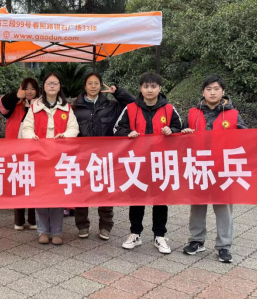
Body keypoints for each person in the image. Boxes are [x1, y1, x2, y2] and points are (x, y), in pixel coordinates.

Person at [182, 75, 257, 263]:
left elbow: (246, 136)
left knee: (223, 208)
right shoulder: (192, 113)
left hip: (223, 169)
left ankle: (224, 246)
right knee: (197, 206)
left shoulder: (232, 114)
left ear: (223, 91)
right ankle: (196, 241)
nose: (212, 92)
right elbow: (179, 137)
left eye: (216, 89)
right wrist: (183, 133)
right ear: (203, 92)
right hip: (199, 167)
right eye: (208, 89)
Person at [114, 72, 182, 255]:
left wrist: (171, 130)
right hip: (138, 162)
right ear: (140, 88)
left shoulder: (169, 109)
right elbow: (117, 128)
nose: (149, 90)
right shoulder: (130, 108)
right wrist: (127, 133)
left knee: (160, 200)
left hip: (161, 162)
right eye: (146, 86)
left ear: (160, 88)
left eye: (153, 86)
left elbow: (180, 128)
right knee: (137, 199)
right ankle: (135, 233)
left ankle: (159, 236)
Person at [72, 72, 135, 241]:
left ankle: (106, 226)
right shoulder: (75, 107)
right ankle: (82, 225)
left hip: (106, 156)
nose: (93, 86)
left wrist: (118, 92)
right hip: (83, 156)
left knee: (106, 191)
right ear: (84, 86)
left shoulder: (112, 105)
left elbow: (133, 105)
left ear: (101, 86)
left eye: (96, 83)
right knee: (81, 191)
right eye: (90, 83)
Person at [22, 72, 79, 246]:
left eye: (55, 83)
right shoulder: (35, 107)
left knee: (57, 196)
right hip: (39, 157)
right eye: (49, 83)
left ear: (60, 86)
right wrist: (31, 137)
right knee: (40, 195)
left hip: (59, 158)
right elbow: (26, 127)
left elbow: (74, 128)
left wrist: (65, 135)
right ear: (44, 86)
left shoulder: (66, 107)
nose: (52, 86)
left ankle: (57, 232)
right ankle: (43, 231)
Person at [0, 78, 41, 231]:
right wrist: (16, 95)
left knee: (34, 184)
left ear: (37, 91)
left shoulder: (40, 106)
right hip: (16, 152)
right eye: (26, 88)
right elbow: (1, 105)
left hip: (35, 152)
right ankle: (19, 220)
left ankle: (33, 219)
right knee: (18, 184)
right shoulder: (14, 105)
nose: (29, 91)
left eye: (32, 88)